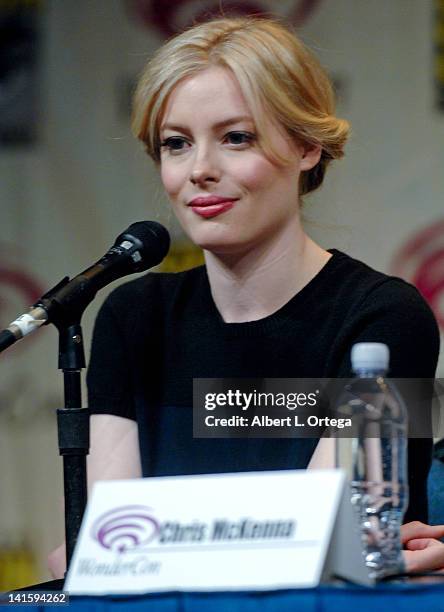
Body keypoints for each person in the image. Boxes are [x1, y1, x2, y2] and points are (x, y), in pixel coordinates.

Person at [49, 15, 443, 578]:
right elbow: (113, 552)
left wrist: (147, 550)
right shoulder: (133, 315)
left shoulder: (385, 316)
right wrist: (115, 553)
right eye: (176, 144)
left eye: (237, 138)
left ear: (307, 145)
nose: (200, 170)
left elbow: (319, 548)